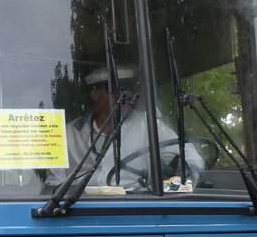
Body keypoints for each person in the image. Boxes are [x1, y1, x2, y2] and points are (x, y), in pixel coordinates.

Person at [63, 65, 203, 192]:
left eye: (127, 88)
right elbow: (53, 183)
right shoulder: (68, 133)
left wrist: (182, 171)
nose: (124, 96)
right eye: (113, 90)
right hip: (79, 207)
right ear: (95, 95)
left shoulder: (147, 124)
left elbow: (188, 154)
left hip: (133, 203)